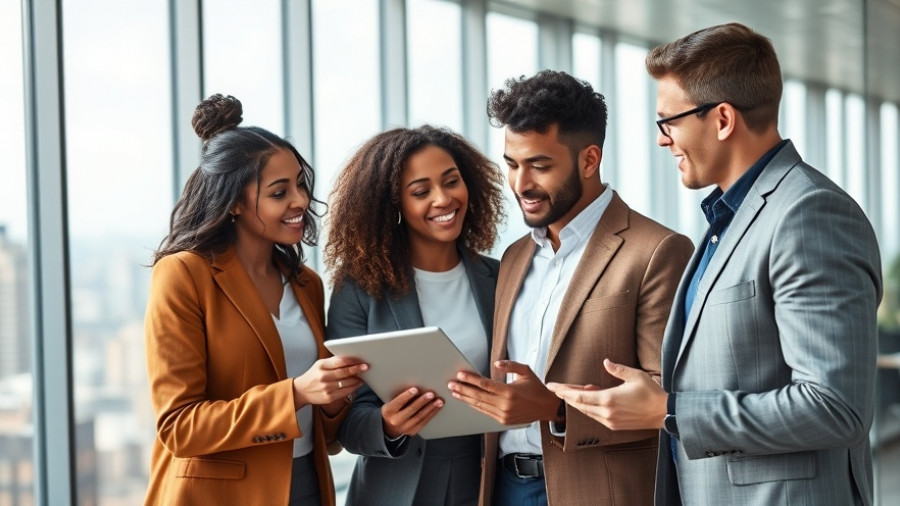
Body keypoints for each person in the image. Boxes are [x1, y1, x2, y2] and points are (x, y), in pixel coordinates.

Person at [548, 23, 884, 506]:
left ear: (723, 119)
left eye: (668, 121)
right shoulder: (728, 218)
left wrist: (669, 410)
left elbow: (834, 407)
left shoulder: (809, 214)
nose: (663, 140)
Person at [447, 70, 694, 506]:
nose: (521, 184)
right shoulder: (514, 257)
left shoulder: (657, 251)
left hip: (596, 491)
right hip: (504, 487)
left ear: (589, 160)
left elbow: (668, 403)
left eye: (540, 166)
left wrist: (556, 410)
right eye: (512, 164)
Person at [144, 94, 367, 506]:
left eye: (300, 184)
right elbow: (180, 427)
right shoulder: (184, 274)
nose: (301, 200)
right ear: (233, 203)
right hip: (218, 496)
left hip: (308, 485)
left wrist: (339, 396)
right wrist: (296, 393)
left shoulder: (307, 284)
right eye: (279, 192)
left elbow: (326, 432)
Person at [324, 125, 506, 505]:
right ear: (393, 206)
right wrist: (387, 425)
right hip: (394, 486)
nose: (443, 199)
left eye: (452, 181)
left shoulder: (501, 277)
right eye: (421, 192)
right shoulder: (359, 289)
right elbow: (344, 422)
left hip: (486, 481)